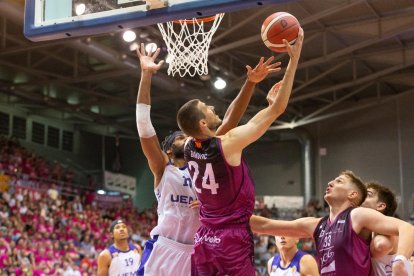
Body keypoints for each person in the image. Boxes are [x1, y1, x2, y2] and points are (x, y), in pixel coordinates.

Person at [135, 43, 281, 275]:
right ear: (169, 150)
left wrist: (250, 83)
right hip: (164, 248)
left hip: (198, 249)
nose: (188, 138)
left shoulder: (205, 158)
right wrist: (146, 75)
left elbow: (230, 120)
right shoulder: (163, 168)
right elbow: (144, 126)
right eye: (180, 137)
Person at [176, 28, 304, 275]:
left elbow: (227, 123)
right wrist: (294, 60)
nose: (212, 107)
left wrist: (251, 82)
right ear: (203, 124)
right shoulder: (228, 143)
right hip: (230, 238)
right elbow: (277, 109)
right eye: (207, 108)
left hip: (204, 238)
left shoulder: (191, 145)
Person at [250, 171, 414, 276]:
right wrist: (227, 213)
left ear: (352, 194)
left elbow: (407, 228)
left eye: (339, 181)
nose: (330, 183)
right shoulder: (317, 225)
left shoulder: (357, 215)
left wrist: (400, 262)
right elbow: (264, 225)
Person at [362, 181, 412, 276]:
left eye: (368, 195)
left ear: (380, 206)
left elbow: (381, 245)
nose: (362, 197)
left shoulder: (384, 234)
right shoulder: (373, 230)